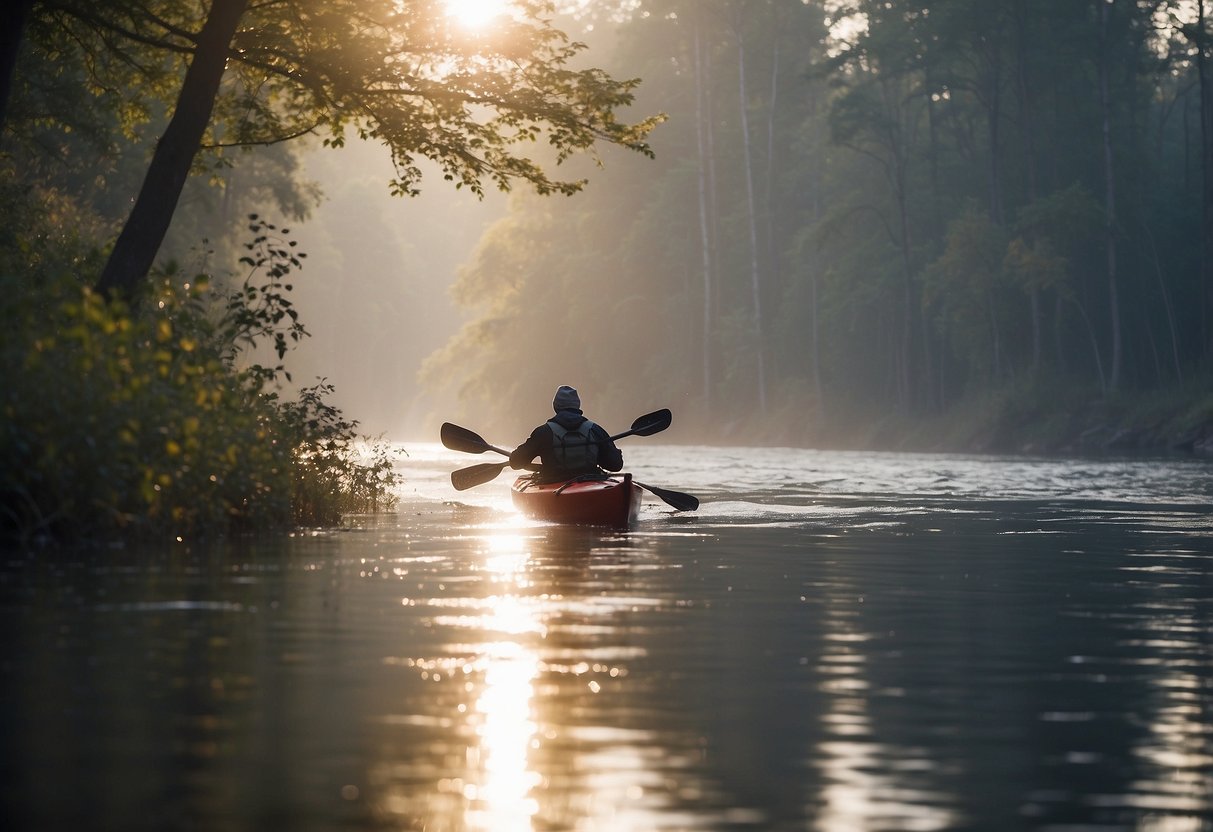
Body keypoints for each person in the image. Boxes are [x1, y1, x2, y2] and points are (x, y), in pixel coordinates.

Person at [509, 385, 623, 483]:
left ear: (555, 406)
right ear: (577, 405)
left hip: (553, 482)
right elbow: (616, 465)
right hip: (590, 481)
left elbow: (516, 462)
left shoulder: (543, 432)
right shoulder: (595, 430)